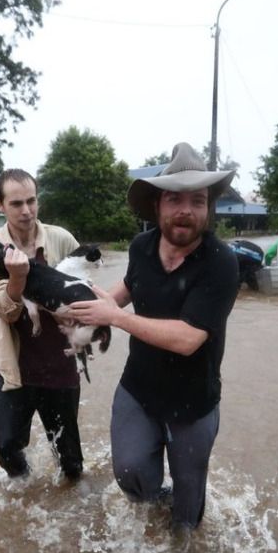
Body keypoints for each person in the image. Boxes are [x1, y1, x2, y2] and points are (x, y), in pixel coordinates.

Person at [69, 143, 239, 530]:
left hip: (194, 401)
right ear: (158, 206)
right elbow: (130, 286)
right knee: (130, 474)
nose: (185, 210)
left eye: (197, 200)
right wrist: (86, 313)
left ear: (208, 209)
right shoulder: (140, 246)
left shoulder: (221, 263)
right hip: (139, 388)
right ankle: (154, 502)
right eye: (174, 199)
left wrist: (116, 318)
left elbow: (189, 338)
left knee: (187, 515)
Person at [0, 169, 84, 481]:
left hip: (60, 364)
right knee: (7, 449)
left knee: (71, 463)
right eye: (16, 203)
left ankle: (67, 506)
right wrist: (18, 278)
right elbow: (4, 311)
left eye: (32, 201)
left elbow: (85, 287)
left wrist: (78, 314)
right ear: (0, 205)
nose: (26, 211)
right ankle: (27, 497)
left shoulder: (61, 239)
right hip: (14, 366)